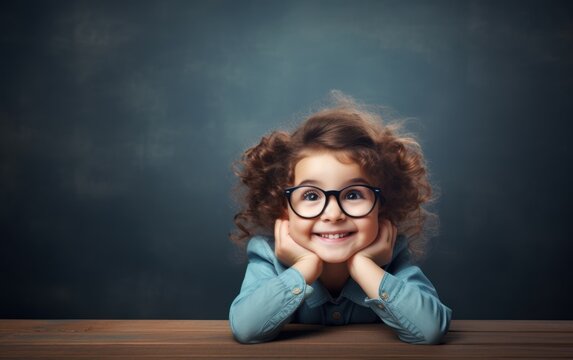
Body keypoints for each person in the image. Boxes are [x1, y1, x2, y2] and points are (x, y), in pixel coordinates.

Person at [228, 92, 452, 344]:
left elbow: (430, 329)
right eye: (311, 196)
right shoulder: (268, 254)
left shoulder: (391, 253)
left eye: (354, 194)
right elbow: (246, 328)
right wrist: (305, 266)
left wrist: (364, 266)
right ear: (284, 207)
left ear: (382, 205)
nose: (334, 214)